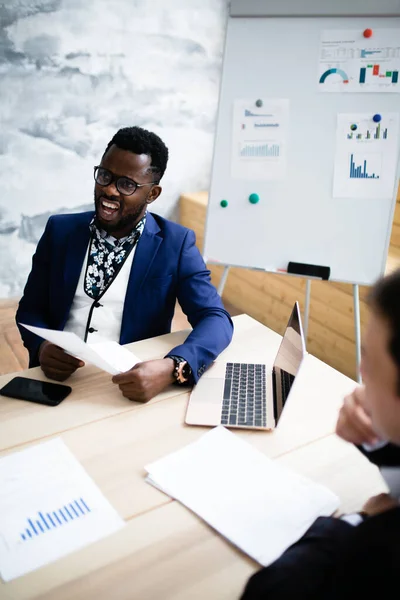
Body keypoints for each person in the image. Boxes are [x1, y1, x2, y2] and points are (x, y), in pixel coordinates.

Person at [16, 126, 233, 402]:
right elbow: (30, 308)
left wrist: (172, 368)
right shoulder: (60, 231)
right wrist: (41, 347)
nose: (109, 190)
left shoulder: (175, 244)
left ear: (152, 194)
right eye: (105, 175)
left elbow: (215, 318)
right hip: (55, 383)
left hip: (129, 387)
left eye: (126, 184)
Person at [240, 268, 400, 599]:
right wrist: (375, 433)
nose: (360, 372)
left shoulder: (375, 556)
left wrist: (357, 521)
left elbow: (267, 592)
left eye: (368, 358)